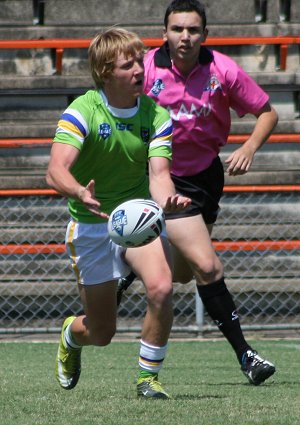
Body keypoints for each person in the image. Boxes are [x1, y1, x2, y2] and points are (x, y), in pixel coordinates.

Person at [117, 0, 279, 386]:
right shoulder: (146, 67)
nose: (184, 37)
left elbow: (268, 112)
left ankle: (127, 268)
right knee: (208, 267)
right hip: (157, 175)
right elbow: (113, 105)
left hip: (204, 178)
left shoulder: (223, 69)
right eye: (177, 29)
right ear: (164, 33)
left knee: (187, 273)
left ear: (204, 34)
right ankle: (247, 355)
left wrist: (249, 147)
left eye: (192, 30)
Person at [46, 27, 191, 399]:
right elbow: (55, 170)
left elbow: (159, 176)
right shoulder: (83, 111)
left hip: (136, 220)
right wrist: (79, 190)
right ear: (106, 72)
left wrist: (167, 201)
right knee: (101, 332)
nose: (140, 71)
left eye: (140, 62)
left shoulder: (156, 115)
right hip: (91, 226)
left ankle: (148, 378)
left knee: (161, 287)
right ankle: (70, 335)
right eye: (128, 65)